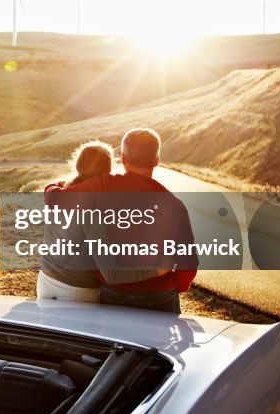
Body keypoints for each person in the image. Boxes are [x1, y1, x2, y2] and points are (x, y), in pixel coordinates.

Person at [59, 128, 197, 314]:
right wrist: (175, 286)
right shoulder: (173, 203)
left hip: (113, 292)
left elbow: (59, 199)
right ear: (156, 160)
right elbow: (188, 260)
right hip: (160, 294)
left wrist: (54, 185)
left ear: (123, 159)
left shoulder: (103, 186)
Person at [36, 141, 115, 302]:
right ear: (108, 169)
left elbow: (50, 188)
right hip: (80, 290)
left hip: (46, 281)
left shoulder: (59, 194)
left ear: (79, 165)